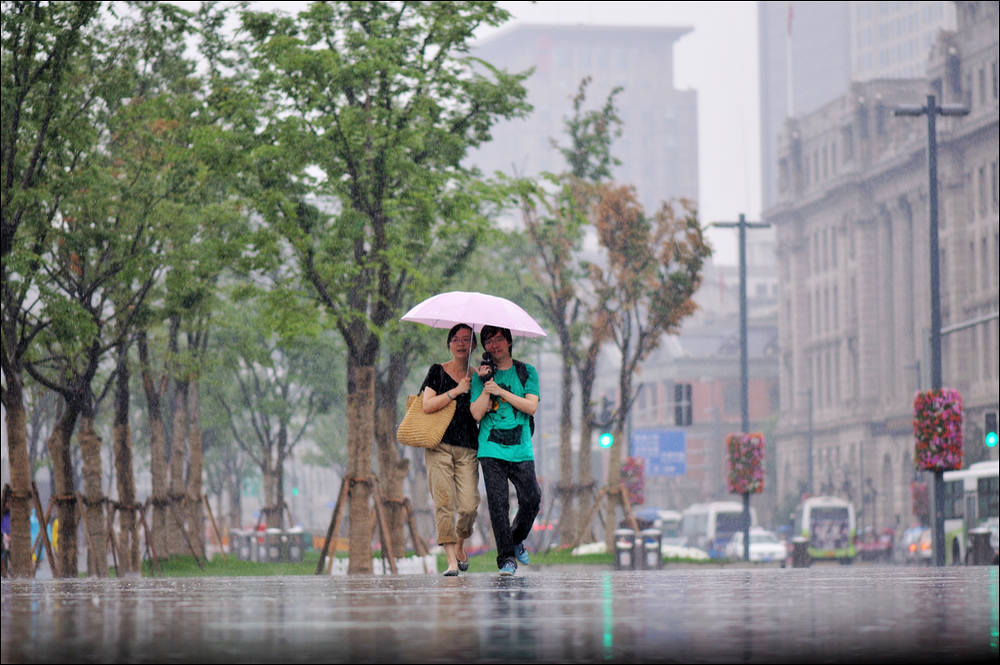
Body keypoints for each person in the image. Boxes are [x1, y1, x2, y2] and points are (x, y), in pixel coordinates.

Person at [470, 325, 541, 576]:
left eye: (499, 339)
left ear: (509, 342)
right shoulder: (481, 377)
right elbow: (477, 413)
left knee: (532, 499)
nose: (494, 345)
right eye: (488, 341)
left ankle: (516, 538)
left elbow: (530, 407)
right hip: (490, 448)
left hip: (521, 448)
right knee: (498, 505)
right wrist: (486, 385)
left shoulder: (526, 372)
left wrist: (500, 391)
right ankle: (506, 559)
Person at [420, 323, 481, 576]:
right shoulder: (437, 371)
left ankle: (459, 545)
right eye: (455, 339)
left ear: (473, 346)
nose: (460, 343)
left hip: (468, 447)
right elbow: (427, 405)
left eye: (466, 340)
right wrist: (457, 391)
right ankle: (451, 562)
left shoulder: (478, 377)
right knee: (443, 503)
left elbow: (481, 412)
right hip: (439, 446)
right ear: (449, 343)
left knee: (468, 506)